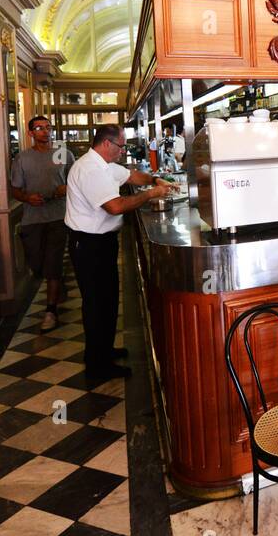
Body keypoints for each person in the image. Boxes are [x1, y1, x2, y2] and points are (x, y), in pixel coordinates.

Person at [65, 123, 179, 382]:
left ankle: (103, 352)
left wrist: (155, 179)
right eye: (120, 146)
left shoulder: (103, 165)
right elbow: (115, 207)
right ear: (107, 144)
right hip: (89, 245)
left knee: (106, 302)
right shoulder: (90, 169)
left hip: (101, 243)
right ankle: (97, 367)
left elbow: (129, 176)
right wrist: (151, 194)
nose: (122, 150)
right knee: (96, 304)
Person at [10, 116, 71, 332]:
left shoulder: (62, 152)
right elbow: (15, 189)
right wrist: (27, 198)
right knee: (37, 265)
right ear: (30, 133)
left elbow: (75, 178)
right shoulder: (22, 159)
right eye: (39, 128)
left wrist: (66, 188)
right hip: (32, 218)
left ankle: (50, 311)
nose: (45, 132)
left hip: (58, 216)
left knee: (53, 263)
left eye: (48, 128)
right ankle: (58, 282)